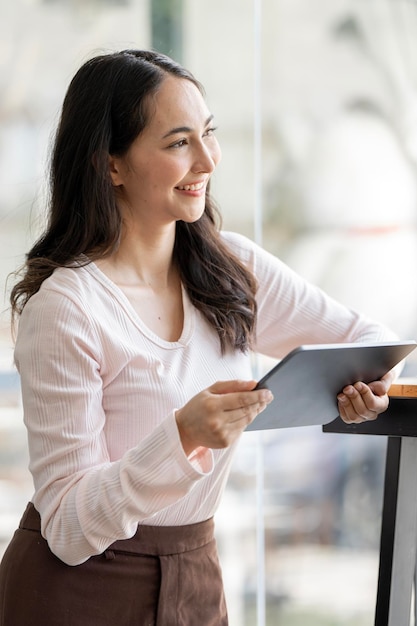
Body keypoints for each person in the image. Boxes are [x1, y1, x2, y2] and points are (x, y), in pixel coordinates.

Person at [0, 49, 398, 626]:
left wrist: (365, 386)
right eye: (178, 142)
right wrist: (181, 435)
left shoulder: (231, 265)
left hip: (196, 571)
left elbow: (371, 337)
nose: (208, 160)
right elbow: (66, 527)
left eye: (208, 134)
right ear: (110, 164)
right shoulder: (66, 308)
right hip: (76, 590)